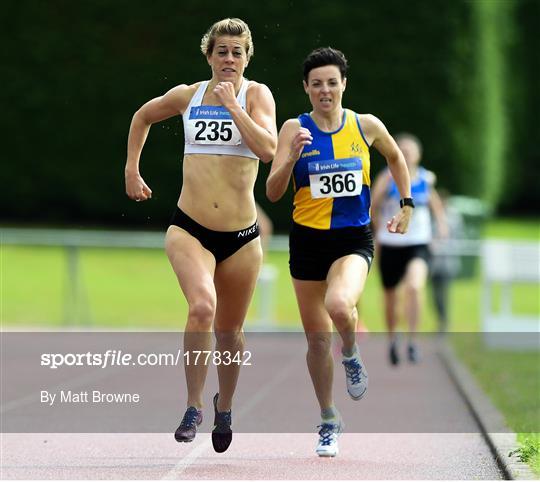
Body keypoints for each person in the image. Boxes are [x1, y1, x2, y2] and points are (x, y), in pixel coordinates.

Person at [124, 18, 277, 453]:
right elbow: (143, 116)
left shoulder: (256, 95)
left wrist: (234, 108)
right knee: (202, 308)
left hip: (242, 237)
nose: (229, 59)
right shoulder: (188, 95)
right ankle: (192, 405)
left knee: (230, 332)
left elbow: (268, 150)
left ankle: (223, 405)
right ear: (208, 55)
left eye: (237, 52)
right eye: (221, 51)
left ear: (247, 58)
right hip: (189, 228)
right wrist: (132, 169)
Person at [266, 47, 412, 457]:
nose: (325, 90)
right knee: (315, 343)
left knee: (340, 305)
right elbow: (273, 192)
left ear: (344, 84)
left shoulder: (364, 125)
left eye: (332, 82)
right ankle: (329, 418)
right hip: (307, 242)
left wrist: (407, 205)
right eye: (317, 84)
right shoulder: (293, 128)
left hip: (352, 239)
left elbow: (396, 157)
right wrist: (291, 155)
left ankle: (350, 351)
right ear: (306, 89)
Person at [371, 133, 447, 365]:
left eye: (410, 150)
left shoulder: (426, 178)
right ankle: (393, 339)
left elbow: (435, 205)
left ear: (418, 154)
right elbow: (372, 206)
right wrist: (377, 234)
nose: (405, 153)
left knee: (414, 286)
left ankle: (413, 341)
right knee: (391, 298)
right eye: (401, 149)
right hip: (391, 243)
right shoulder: (386, 178)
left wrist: (441, 228)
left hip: (418, 243)